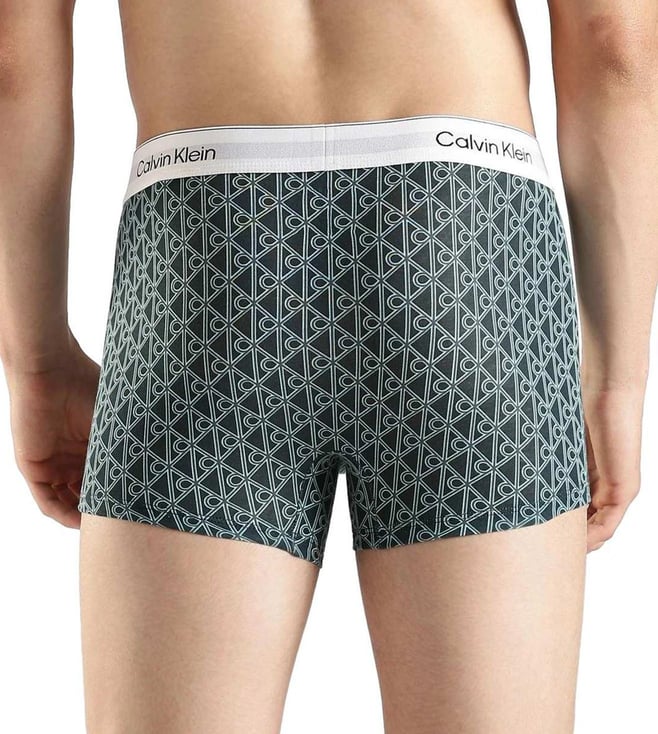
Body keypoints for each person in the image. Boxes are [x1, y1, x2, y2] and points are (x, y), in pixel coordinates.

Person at [1, 1, 656, 732]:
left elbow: (10, 56)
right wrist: (616, 381)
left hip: (208, 246)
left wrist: (36, 364)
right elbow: (614, 44)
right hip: (463, 240)